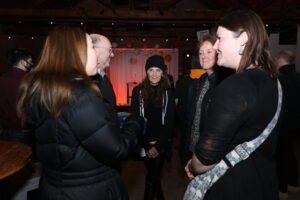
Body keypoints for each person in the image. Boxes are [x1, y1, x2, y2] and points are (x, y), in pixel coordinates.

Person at [16, 26, 144, 200]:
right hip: (89, 191)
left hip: (54, 188)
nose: (95, 54)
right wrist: (134, 122)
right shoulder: (80, 95)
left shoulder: (42, 90)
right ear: (75, 53)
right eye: (91, 47)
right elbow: (117, 150)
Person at [185, 10, 282, 200]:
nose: (216, 45)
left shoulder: (235, 85)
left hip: (233, 187)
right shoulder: (274, 81)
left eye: (220, 38)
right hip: (263, 183)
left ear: (243, 39)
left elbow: (204, 159)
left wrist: (193, 164)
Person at [180, 34, 233, 165]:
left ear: (218, 53)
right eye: (201, 53)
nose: (204, 56)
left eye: (209, 51)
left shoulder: (225, 83)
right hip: (194, 150)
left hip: (213, 154)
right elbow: (189, 119)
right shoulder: (197, 83)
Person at [131, 55, 175, 200]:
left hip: (160, 143)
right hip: (144, 142)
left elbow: (169, 123)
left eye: (158, 70)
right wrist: (146, 145)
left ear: (163, 72)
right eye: (151, 70)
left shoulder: (167, 92)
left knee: (151, 179)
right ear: (146, 71)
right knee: (154, 176)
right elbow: (137, 120)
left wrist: (158, 146)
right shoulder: (137, 91)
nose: (155, 74)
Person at [274, 50, 300, 199]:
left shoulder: (281, 81)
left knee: (281, 157)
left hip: (282, 124)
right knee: (290, 154)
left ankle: (282, 190)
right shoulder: (297, 77)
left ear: (279, 60)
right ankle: (294, 184)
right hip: (296, 125)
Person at [0, 48, 34, 145]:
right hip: (24, 133)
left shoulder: (2, 79)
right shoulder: (28, 81)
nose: (32, 63)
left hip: (3, 131)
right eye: (30, 61)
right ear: (23, 62)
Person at [90, 33, 116, 109]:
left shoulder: (104, 77)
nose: (112, 55)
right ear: (95, 50)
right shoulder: (84, 81)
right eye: (110, 50)